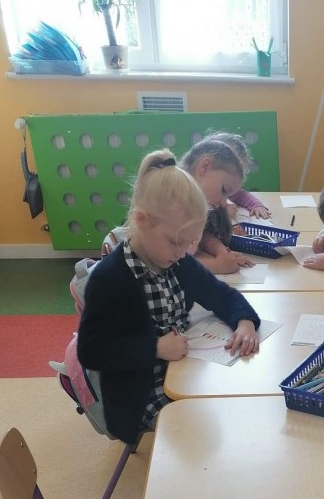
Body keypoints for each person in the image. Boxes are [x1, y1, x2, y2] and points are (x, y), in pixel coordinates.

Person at [77, 148, 261, 445]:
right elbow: (92, 351)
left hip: (184, 372)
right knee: (206, 436)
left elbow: (221, 294)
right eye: (176, 242)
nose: (182, 252)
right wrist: (155, 348)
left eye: (189, 243)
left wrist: (245, 322)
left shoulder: (178, 263)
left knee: (241, 406)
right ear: (142, 220)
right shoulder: (110, 279)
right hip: (141, 397)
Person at [179, 137, 255, 275]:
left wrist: (221, 251)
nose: (224, 202)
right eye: (224, 190)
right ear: (205, 166)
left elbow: (200, 236)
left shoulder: (195, 204)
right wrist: (215, 266)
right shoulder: (173, 201)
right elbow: (169, 262)